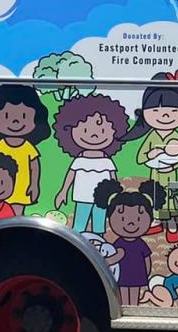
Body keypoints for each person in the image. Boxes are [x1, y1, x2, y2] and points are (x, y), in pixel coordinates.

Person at [52, 94, 129, 234]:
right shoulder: (79, 160)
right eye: (86, 130)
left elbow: (113, 180)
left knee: (99, 225)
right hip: (82, 195)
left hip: (102, 197)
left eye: (102, 131)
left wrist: (116, 195)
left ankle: (99, 243)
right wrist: (63, 192)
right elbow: (71, 175)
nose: (94, 136)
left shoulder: (106, 161)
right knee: (79, 225)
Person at [126, 74, 178, 240]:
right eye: (155, 111)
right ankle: (156, 223)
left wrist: (174, 163)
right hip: (155, 176)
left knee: (170, 202)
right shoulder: (152, 136)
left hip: (170, 175)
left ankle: (172, 228)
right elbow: (140, 158)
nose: (165, 116)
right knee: (156, 199)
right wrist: (151, 154)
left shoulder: (176, 136)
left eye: (174, 111)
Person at [0, 83, 50, 214]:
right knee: (2, 211)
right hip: (2, 184)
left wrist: (34, 184)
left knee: (17, 212)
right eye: (6, 116)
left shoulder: (27, 147)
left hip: (22, 185)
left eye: (24, 117)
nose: (15, 122)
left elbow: (34, 166)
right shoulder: (0, 146)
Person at [95, 178, 166, 305]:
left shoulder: (139, 244)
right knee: (123, 292)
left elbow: (147, 259)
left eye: (139, 218)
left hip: (136, 273)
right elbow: (115, 258)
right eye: (122, 218)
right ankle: (127, 307)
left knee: (133, 293)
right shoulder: (119, 243)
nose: (131, 223)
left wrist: (146, 272)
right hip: (125, 274)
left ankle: (132, 307)